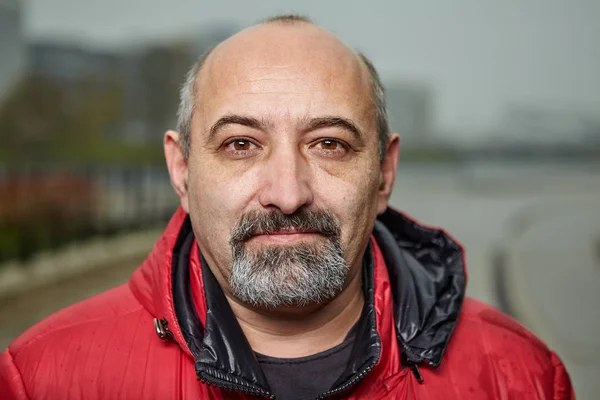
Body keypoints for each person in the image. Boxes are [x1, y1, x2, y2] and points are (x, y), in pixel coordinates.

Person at [0, 15, 574, 400]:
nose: (288, 192)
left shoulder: (519, 376)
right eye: (240, 144)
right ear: (181, 169)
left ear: (383, 173)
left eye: (329, 144)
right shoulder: (44, 379)